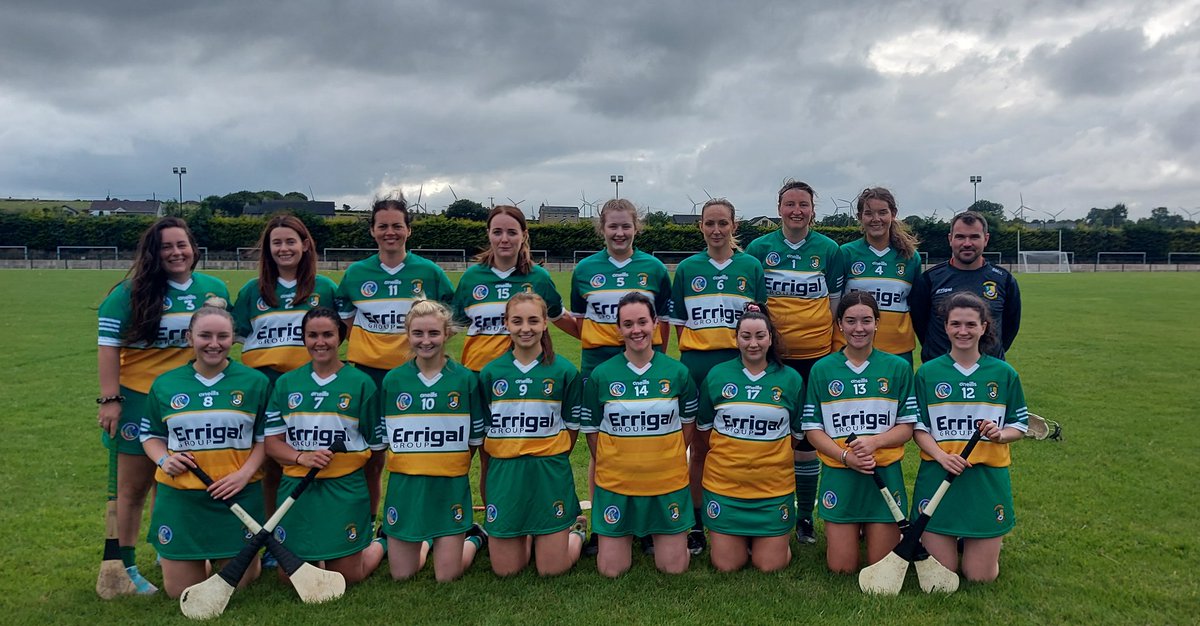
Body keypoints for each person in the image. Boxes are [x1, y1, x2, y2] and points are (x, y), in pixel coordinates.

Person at [97, 216, 230, 593]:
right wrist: (110, 399)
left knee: (172, 481)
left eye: (181, 244)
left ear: (193, 248)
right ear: (153, 253)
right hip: (138, 400)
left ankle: (167, 549)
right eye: (166, 246)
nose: (175, 252)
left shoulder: (214, 289)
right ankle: (124, 568)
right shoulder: (128, 293)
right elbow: (108, 347)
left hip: (189, 405)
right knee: (133, 488)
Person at [139, 300, 270, 599]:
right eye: (205, 335)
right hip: (183, 498)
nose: (214, 344)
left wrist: (244, 474)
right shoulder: (166, 384)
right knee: (181, 592)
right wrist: (163, 460)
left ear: (233, 338)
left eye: (223, 336)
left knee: (240, 584)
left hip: (236, 495)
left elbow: (265, 439)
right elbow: (150, 435)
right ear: (190, 338)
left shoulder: (255, 382)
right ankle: (194, 558)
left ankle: (227, 558)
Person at [744, 179, 845, 545]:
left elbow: (835, 304)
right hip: (771, 358)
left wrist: (830, 349)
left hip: (814, 358)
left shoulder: (829, 250)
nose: (797, 210)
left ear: (813, 210)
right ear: (779, 209)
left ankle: (803, 517)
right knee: (767, 436)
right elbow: (752, 306)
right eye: (790, 204)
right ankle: (764, 511)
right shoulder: (759, 248)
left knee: (806, 442)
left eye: (804, 204)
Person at [569, 198, 672, 555]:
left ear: (636, 227)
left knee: (646, 443)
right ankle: (603, 526)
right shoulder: (585, 269)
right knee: (601, 448)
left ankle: (646, 525)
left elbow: (662, 322)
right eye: (612, 226)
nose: (619, 232)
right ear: (602, 228)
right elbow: (580, 322)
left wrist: (658, 360)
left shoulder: (654, 268)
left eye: (626, 225)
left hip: (645, 364)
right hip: (597, 365)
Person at [232, 213, 339, 543]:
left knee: (310, 461)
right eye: (276, 242)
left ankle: (312, 531)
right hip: (264, 388)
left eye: (290, 241)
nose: (284, 248)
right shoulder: (252, 291)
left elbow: (334, 335)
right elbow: (238, 336)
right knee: (269, 464)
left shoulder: (325, 288)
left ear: (305, 245)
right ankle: (268, 536)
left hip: (309, 388)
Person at [669, 198, 766, 555]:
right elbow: (680, 326)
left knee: (739, 447)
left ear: (734, 226)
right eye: (709, 223)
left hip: (739, 368)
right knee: (698, 449)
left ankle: (744, 521)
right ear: (701, 226)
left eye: (722, 223)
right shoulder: (687, 269)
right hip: (697, 367)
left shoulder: (750, 266)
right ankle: (696, 523)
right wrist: (699, 350)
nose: (716, 230)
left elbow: (759, 322)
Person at [263, 307, 386, 585]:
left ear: (340, 337)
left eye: (328, 335)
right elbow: (272, 444)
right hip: (297, 487)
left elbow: (376, 451)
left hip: (344, 488)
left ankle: (382, 542)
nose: (320, 342)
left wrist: (369, 507)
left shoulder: (361, 383)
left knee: (347, 577)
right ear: (304, 338)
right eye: (313, 335)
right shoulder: (286, 384)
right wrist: (300, 457)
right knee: (290, 579)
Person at [911, 291, 1027, 582]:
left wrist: (1001, 435)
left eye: (971, 324)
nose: (963, 331)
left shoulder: (1004, 373)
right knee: (942, 576)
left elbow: (1019, 425)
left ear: (984, 327)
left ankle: (981, 545)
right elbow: (919, 428)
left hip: (985, 480)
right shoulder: (927, 373)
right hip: (939, 475)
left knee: (979, 577)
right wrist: (941, 456)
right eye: (956, 324)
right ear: (946, 327)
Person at [581, 292, 698, 577]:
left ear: (655, 323)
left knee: (674, 568)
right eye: (628, 324)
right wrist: (615, 461)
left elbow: (688, 426)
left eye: (642, 322)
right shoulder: (601, 375)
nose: (636, 330)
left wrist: (665, 455)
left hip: (665, 483)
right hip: (617, 484)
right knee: (611, 570)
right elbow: (592, 433)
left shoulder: (677, 373)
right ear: (619, 329)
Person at [802, 291, 917, 573]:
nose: (859, 328)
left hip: (884, 473)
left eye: (866, 320)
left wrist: (875, 442)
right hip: (841, 474)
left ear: (877, 323)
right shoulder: (822, 369)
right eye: (851, 321)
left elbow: (907, 427)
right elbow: (813, 430)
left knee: (881, 566)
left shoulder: (898, 368)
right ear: (840, 324)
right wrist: (846, 457)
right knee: (842, 567)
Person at [477, 293, 587, 576]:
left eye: (533, 320)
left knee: (552, 569)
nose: (525, 328)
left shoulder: (564, 371)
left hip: (548, 472)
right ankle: (527, 533)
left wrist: (549, 453)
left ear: (545, 323)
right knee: (506, 571)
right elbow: (485, 432)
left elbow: (571, 427)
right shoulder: (490, 373)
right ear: (506, 323)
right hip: (506, 473)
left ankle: (576, 532)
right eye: (517, 321)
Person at [378, 300, 487, 583]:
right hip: (406, 487)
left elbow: (474, 439)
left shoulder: (465, 379)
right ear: (407, 334)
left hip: (448, 486)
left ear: (447, 333)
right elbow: (385, 438)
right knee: (402, 575)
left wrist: (447, 461)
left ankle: (474, 539)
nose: (425, 341)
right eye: (418, 333)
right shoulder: (393, 381)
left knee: (447, 576)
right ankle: (425, 543)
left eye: (433, 333)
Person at [695, 303, 804, 572]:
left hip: (772, 489)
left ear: (770, 338)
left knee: (769, 566)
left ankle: (769, 542)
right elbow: (706, 429)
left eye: (760, 336)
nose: (753, 343)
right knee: (727, 565)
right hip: (725, 487)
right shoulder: (718, 375)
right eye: (746, 336)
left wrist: (768, 453)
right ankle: (742, 539)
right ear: (736, 339)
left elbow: (796, 434)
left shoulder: (790, 379)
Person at [337, 194, 454, 390]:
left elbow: (450, 318)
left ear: (409, 230)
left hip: (417, 369)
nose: (390, 232)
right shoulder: (355, 273)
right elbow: (345, 319)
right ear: (372, 230)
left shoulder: (430, 272)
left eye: (397, 226)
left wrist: (426, 345)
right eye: (383, 226)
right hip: (368, 371)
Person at [453, 205, 576, 371]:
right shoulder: (471, 278)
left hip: (524, 374)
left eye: (512, 232)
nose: (504, 239)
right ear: (488, 234)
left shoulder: (539, 278)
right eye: (497, 232)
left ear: (524, 235)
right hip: (478, 373)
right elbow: (453, 325)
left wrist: (603, 343)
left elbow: (559, 316)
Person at [910, 210, 1021, 363]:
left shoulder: (1004, 280)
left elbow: (1010, 327)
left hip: (988, 371)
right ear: (950, 239)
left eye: (974, 237)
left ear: (986, 239)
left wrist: (990, 353)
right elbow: (920, 324)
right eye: (960, 237)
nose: (967, 243)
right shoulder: (930, 279)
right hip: (941, 371)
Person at [838, 187, 922, 363]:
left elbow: (917, 306)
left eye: (882, 212)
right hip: (854, 349)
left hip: (898, 351)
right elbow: (835, 302)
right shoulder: (846, 253)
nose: (876, 219)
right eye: (869, 213)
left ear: (893, 214)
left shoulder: (910, 257)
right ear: (860, 217)